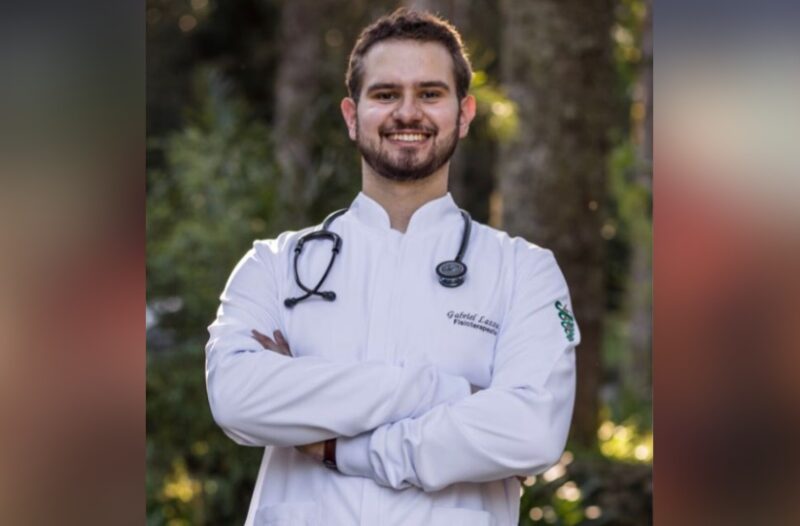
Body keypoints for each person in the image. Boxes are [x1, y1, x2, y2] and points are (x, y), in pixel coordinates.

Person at [205, 8, 580, 526]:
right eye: (385, 94)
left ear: (464, 113)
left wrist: (338, 445)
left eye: (430, 93)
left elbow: (530, 430)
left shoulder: (525, 272)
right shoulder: (274, 264)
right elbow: (236, 397)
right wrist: (446, 394)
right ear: (351, 115)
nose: (408, 112)